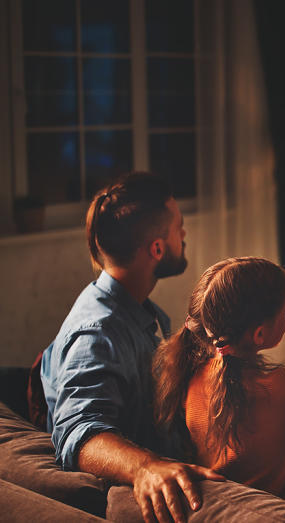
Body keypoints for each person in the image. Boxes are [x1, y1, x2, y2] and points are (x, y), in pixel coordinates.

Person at [40, 172, 223, 523]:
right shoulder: (97, 332)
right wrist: (146, 467)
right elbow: (79, 434)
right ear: (156, 248)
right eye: (179, 228)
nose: (183, 236)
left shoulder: (143, 311)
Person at [153, 257, 285, 498]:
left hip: (216, 506)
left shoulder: (191, 377)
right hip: (267, 511)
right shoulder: (284, 388)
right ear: (259, 334)